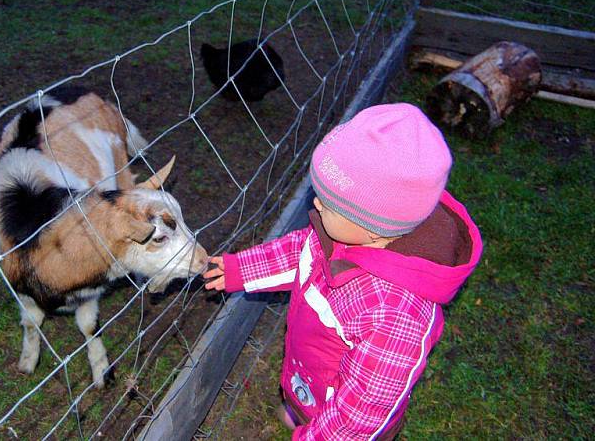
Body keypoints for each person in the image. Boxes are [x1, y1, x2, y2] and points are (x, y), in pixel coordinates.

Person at [204, 103, 482, 440]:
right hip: (312, 369)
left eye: (329, 203)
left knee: (334, 418)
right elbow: (300, 251)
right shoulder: (341, 232)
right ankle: (301, 410)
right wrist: (240, 268)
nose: (316, 205)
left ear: (374, 229)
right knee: (305, 396)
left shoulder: (396, 316)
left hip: (344, 423)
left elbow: (360, 416)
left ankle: (310, 423)